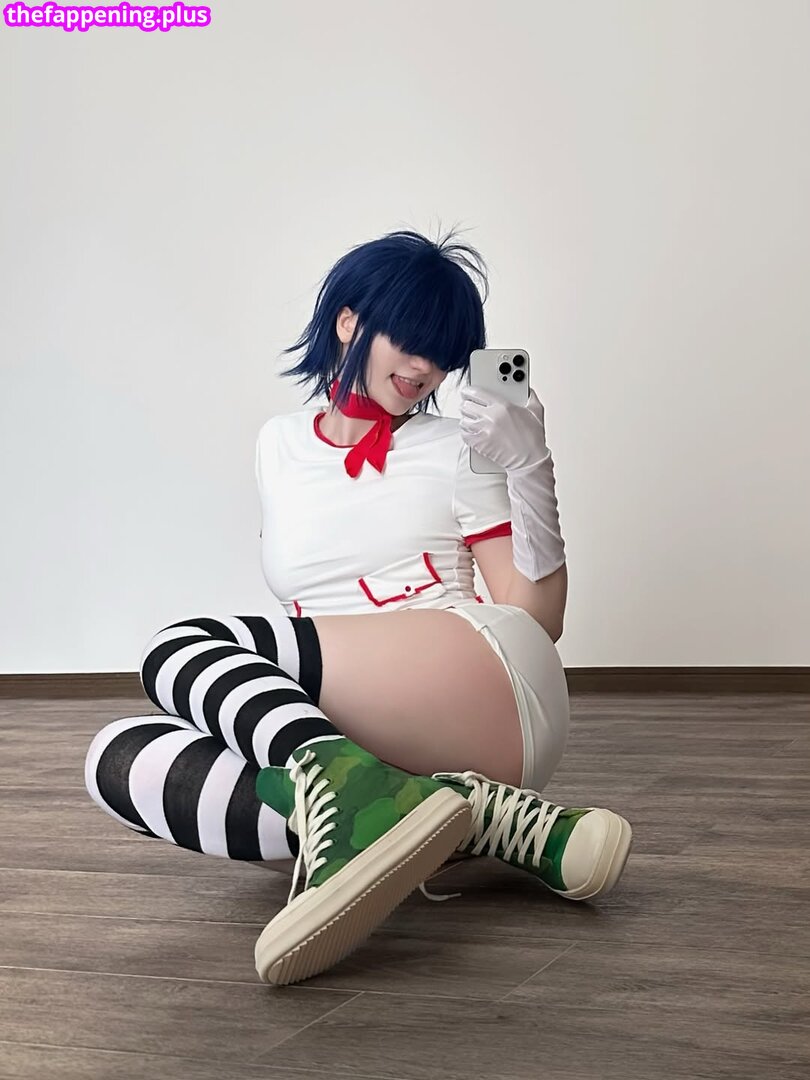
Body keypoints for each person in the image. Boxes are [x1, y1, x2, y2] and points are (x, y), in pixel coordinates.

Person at [84, 227, 633, 988]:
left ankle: (360, 794)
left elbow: (536, 623)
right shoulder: (278, 446)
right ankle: (459, 816)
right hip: (369, 718)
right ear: (349, 321)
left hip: (483, 686)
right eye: (411, 341)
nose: (425, 368)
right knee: (121, 754)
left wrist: (531, 465)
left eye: (442, 353)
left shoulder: (461, 447)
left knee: (178, 647)